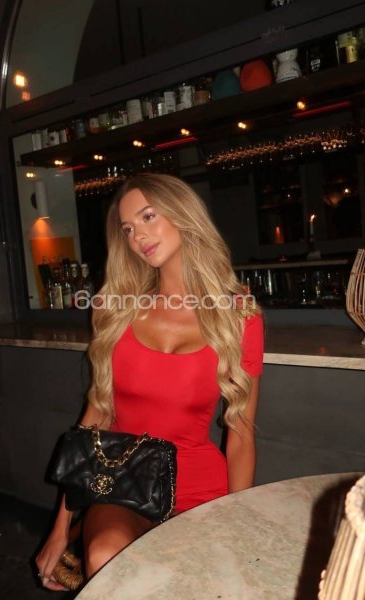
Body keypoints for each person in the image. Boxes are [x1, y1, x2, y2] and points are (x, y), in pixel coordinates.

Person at [36, 173, 263, 589]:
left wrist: (237, 517)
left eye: (147, 217)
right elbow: (95, 419)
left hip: (201, 486)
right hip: (125, 484)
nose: (138, 235)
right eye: (128, 229)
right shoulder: (114, 310)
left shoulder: (239, 315)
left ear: (182, 214)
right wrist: (59, 527)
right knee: (106, 555)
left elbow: (241, 435)